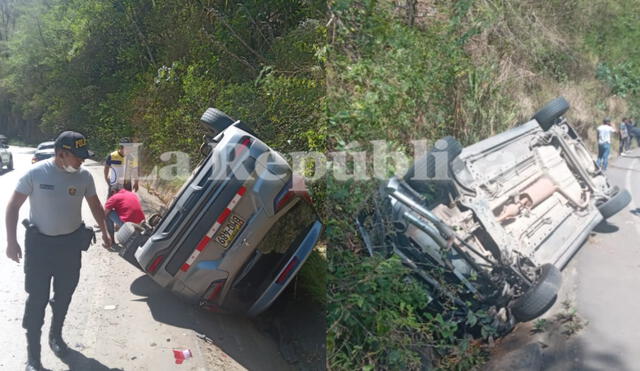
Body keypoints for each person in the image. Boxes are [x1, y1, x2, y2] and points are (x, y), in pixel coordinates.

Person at [4, 131, 111, 371]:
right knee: (37, 299)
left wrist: (104, 230)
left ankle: (56, 337)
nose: (82, 162)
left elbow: (95, 205)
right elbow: (12, 207)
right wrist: (12, 242)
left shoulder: (84, 177)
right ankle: (33, 357)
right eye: (78, 157)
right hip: (40, 247)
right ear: (61, 154)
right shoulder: (36, 173)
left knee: (64, 295)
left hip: (70, 246)